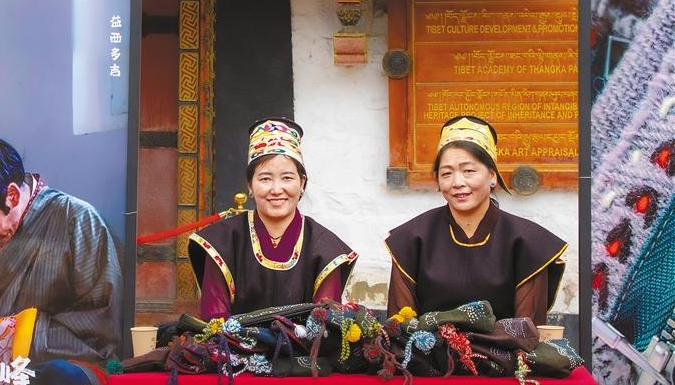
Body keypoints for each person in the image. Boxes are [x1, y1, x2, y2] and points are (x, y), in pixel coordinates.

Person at [385, 116, 567, 324]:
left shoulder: (528, 243)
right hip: (426, 346)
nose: (457, 182)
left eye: (469, 171)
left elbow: (526, 331)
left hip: (505, 346)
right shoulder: (411, 239)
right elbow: (400, 327)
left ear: (492, 176)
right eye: (446, 173)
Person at [189, 118, 358, 319]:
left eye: (287, 178)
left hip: (305, 341)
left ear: (302, 183)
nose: (276, 189)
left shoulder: (325, 248)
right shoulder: (223, 242)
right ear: (250, 185)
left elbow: (324, 323)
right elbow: (214, 320)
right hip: (232, 339)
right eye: (265, 179)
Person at [0, 137, 123, 362]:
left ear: (12, 196)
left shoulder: (76, 220)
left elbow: (100, 330)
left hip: (53, 368)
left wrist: (13, 336)